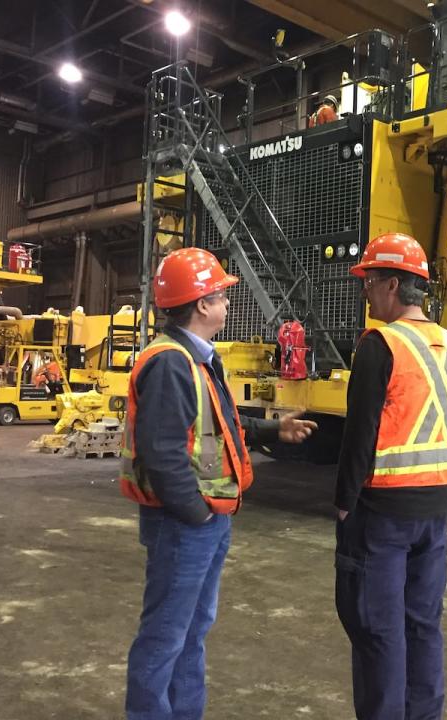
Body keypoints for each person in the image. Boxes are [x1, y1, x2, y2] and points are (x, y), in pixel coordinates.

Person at [121, 247, 317, 720]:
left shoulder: (199, 359)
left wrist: (275, 430)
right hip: (184, 523)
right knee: (166, 633)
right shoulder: (171, 362)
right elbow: (162, 453)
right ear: (201, 304)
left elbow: (218, 424)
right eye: (222, 296)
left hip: (206, 520)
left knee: (191, 630)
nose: (228, 303)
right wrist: (196, 512)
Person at [334, 232, 447, 720]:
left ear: (392, 284)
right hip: (435, 512)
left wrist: (343, 501)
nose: (366, 292)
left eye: (370, 282)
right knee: (423, 626)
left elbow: (360, 435)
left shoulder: (379, 345)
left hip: (383, 516)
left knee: (378, 631)